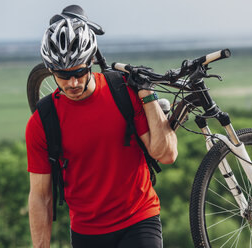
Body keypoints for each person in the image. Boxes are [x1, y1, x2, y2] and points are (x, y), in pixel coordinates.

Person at [25, 8, 178, 248]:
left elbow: (167, 155)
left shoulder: (122, 92)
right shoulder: (42, 121)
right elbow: (40, 197)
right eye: (63, 75)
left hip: (139, 218)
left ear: (91, 62)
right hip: (87, 232)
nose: (72, 82)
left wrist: (147, 94)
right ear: (50, 69)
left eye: (79, 72)